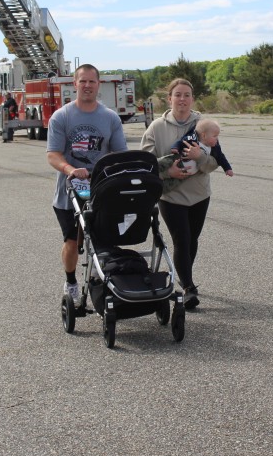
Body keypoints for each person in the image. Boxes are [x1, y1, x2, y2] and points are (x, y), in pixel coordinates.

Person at [46, 64, 128, 305]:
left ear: (98, 84)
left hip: (100, 191)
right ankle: (71, 281)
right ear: (75, 84)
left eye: (92, 81)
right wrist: (70, 170)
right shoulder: (62, 116)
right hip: (69, 193)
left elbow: (120, 154)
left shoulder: (110, 118)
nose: (87, 86)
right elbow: (53, 154)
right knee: (73, 241)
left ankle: (100, 279)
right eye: (83, 81)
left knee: (104, 240)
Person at [141, 79, 219, 310]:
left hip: (199, 195)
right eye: (177, 95)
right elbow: (145, 163)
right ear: (169, 99)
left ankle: (185, 278)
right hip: (171, 197)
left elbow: (214, 163)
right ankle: (188, 288)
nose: (182, 99)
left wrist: (200, 157)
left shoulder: (204, 125)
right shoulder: (156, 127)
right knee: (181, 240)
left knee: (192, 240)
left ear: (192, 99)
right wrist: (168, 171)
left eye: (187, 95)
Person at [168, 118, 233, 177]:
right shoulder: (192, 140)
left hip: (188, 175)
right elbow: (181, 142)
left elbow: (221, 158)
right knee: (166, 162)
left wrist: (227, 169)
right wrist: (175, 148)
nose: (217, 138)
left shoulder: (214, 148)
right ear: (204, 135)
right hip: (179, 164)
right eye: (215, 136)